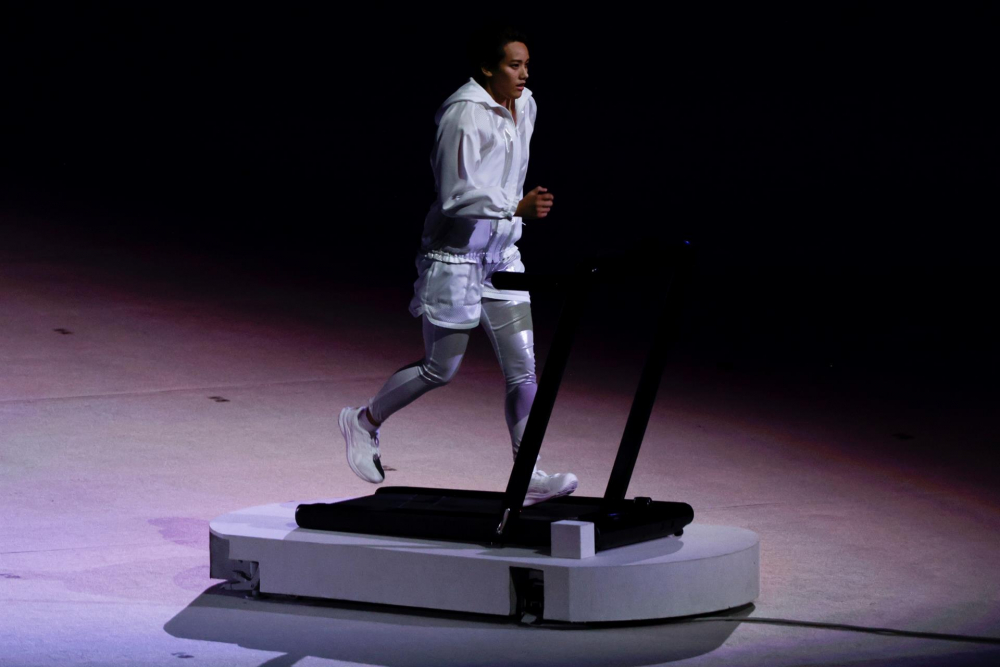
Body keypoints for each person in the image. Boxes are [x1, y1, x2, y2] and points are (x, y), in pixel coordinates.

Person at [338, 23, 577, 506]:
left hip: (502, 256)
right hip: (455, 258)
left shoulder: (527, 105)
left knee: (524, 370)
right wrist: (514, 207)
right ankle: (363, 421)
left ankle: (527, 474)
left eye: (527, 65)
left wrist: (512, 218)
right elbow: (453, 195)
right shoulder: (463, 114)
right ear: (487, 67)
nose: (524, 74)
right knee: (439, 369)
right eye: (514, 65)